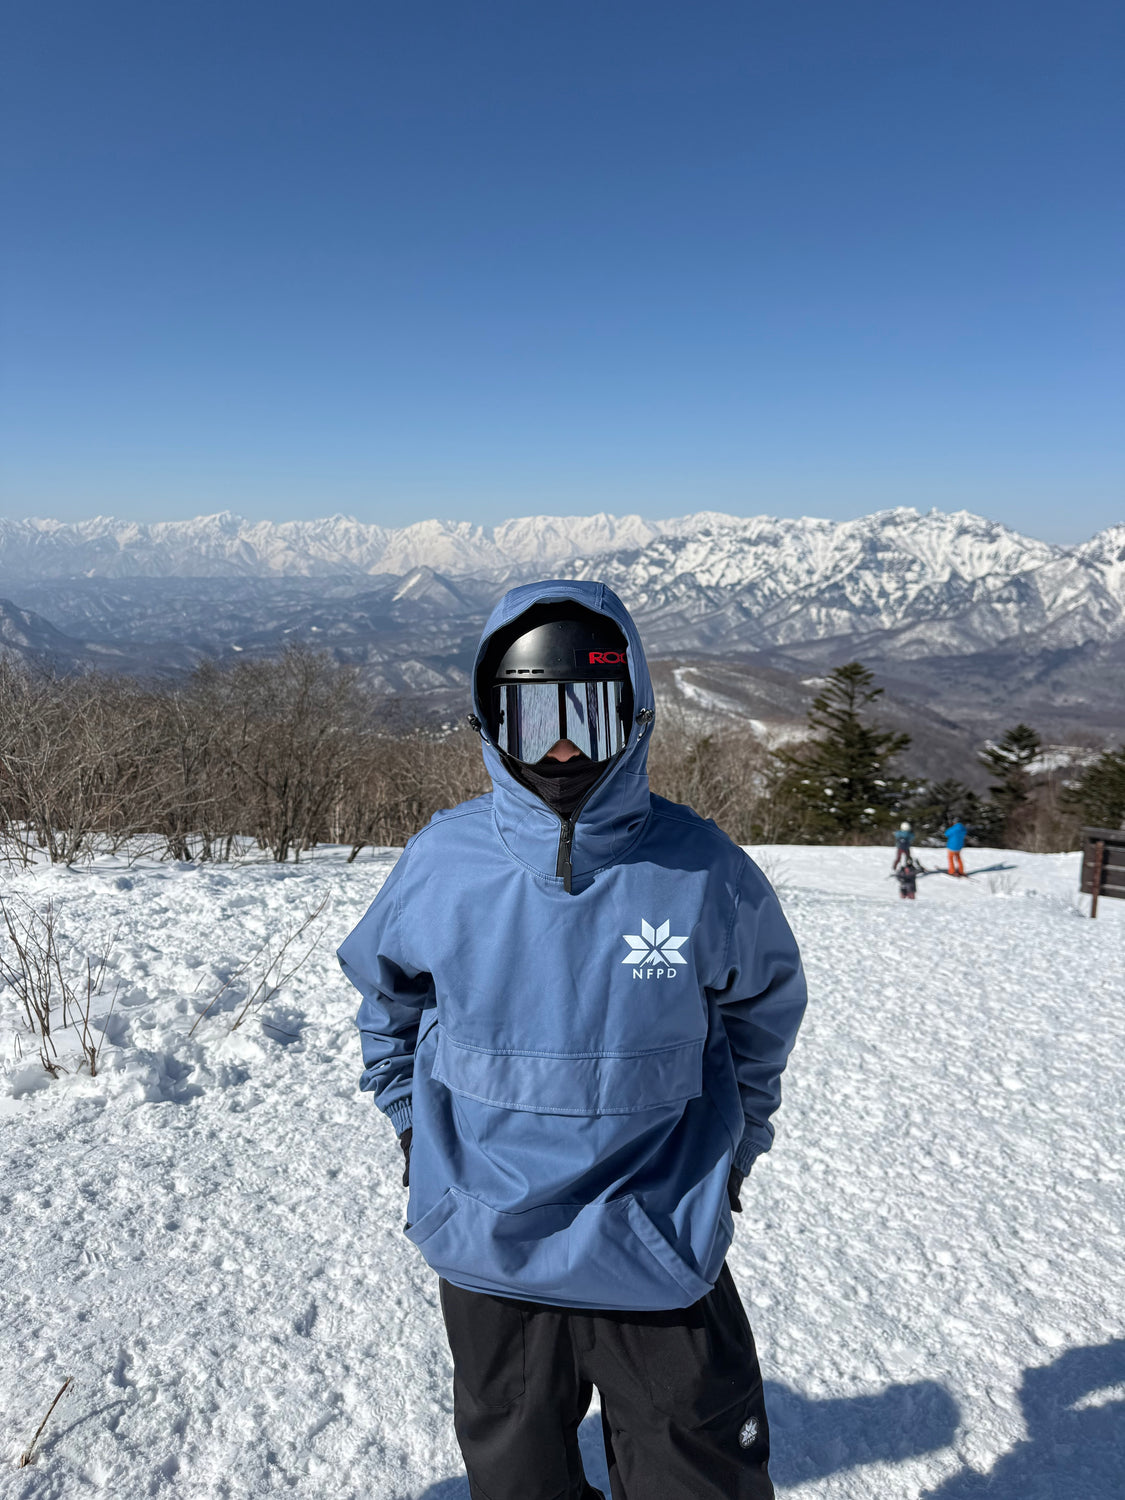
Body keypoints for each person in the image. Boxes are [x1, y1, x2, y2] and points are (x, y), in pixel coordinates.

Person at [338, 580, 807, 1500]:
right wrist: (410, 1128)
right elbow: (385, 1001)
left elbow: (762, 1014)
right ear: (489, 722)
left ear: (630, 718)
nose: (559, 750)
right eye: (531, 720)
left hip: (655, 1237)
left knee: (692, 1474)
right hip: (485, 1235)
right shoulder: (446, 862)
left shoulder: (698, 869)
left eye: (584, 717)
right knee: (519, 1481)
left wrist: (736, 1148)